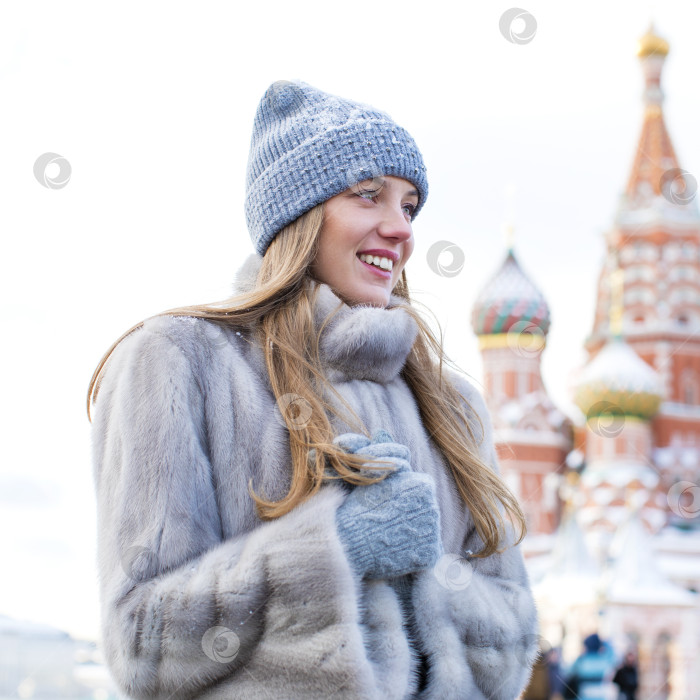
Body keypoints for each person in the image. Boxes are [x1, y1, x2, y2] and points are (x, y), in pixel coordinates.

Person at [87, 79, 538, 699]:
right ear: (298, 213)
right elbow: (143, 641)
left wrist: (425, 578)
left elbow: (512, 644)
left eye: (409, 206)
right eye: (368, 196)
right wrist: (337, 548)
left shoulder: (452, 407)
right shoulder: (177, 363)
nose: (400, 228)